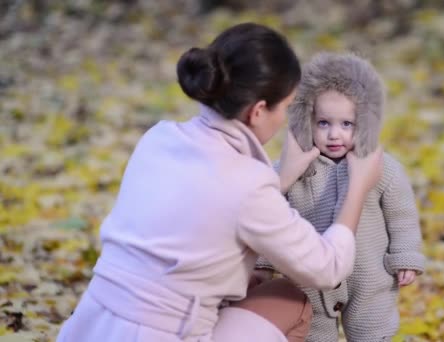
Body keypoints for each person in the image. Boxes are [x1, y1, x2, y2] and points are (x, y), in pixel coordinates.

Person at [56, 24, 383, 342]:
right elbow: (327, 268)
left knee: (252, 282)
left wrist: (280, 178)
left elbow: (206, 213)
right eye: (284, 107)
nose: (284, 119)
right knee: (290, 298)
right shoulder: (249, 185)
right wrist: (358, 187)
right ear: (257, 111)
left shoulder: (157, 138)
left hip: (92, 325)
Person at [255, 52, 425, 342]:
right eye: (323, 123)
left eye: (347, 124)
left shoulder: (382, 168)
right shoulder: (290, 169)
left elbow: (402, 216)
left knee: (372, 329)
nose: (335, 135)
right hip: (309, 277)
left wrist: (404, 257)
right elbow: (268, 218)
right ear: (307, 120)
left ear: (366, 123)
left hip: (369, 275)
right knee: (313, 330)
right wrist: (264, 263)